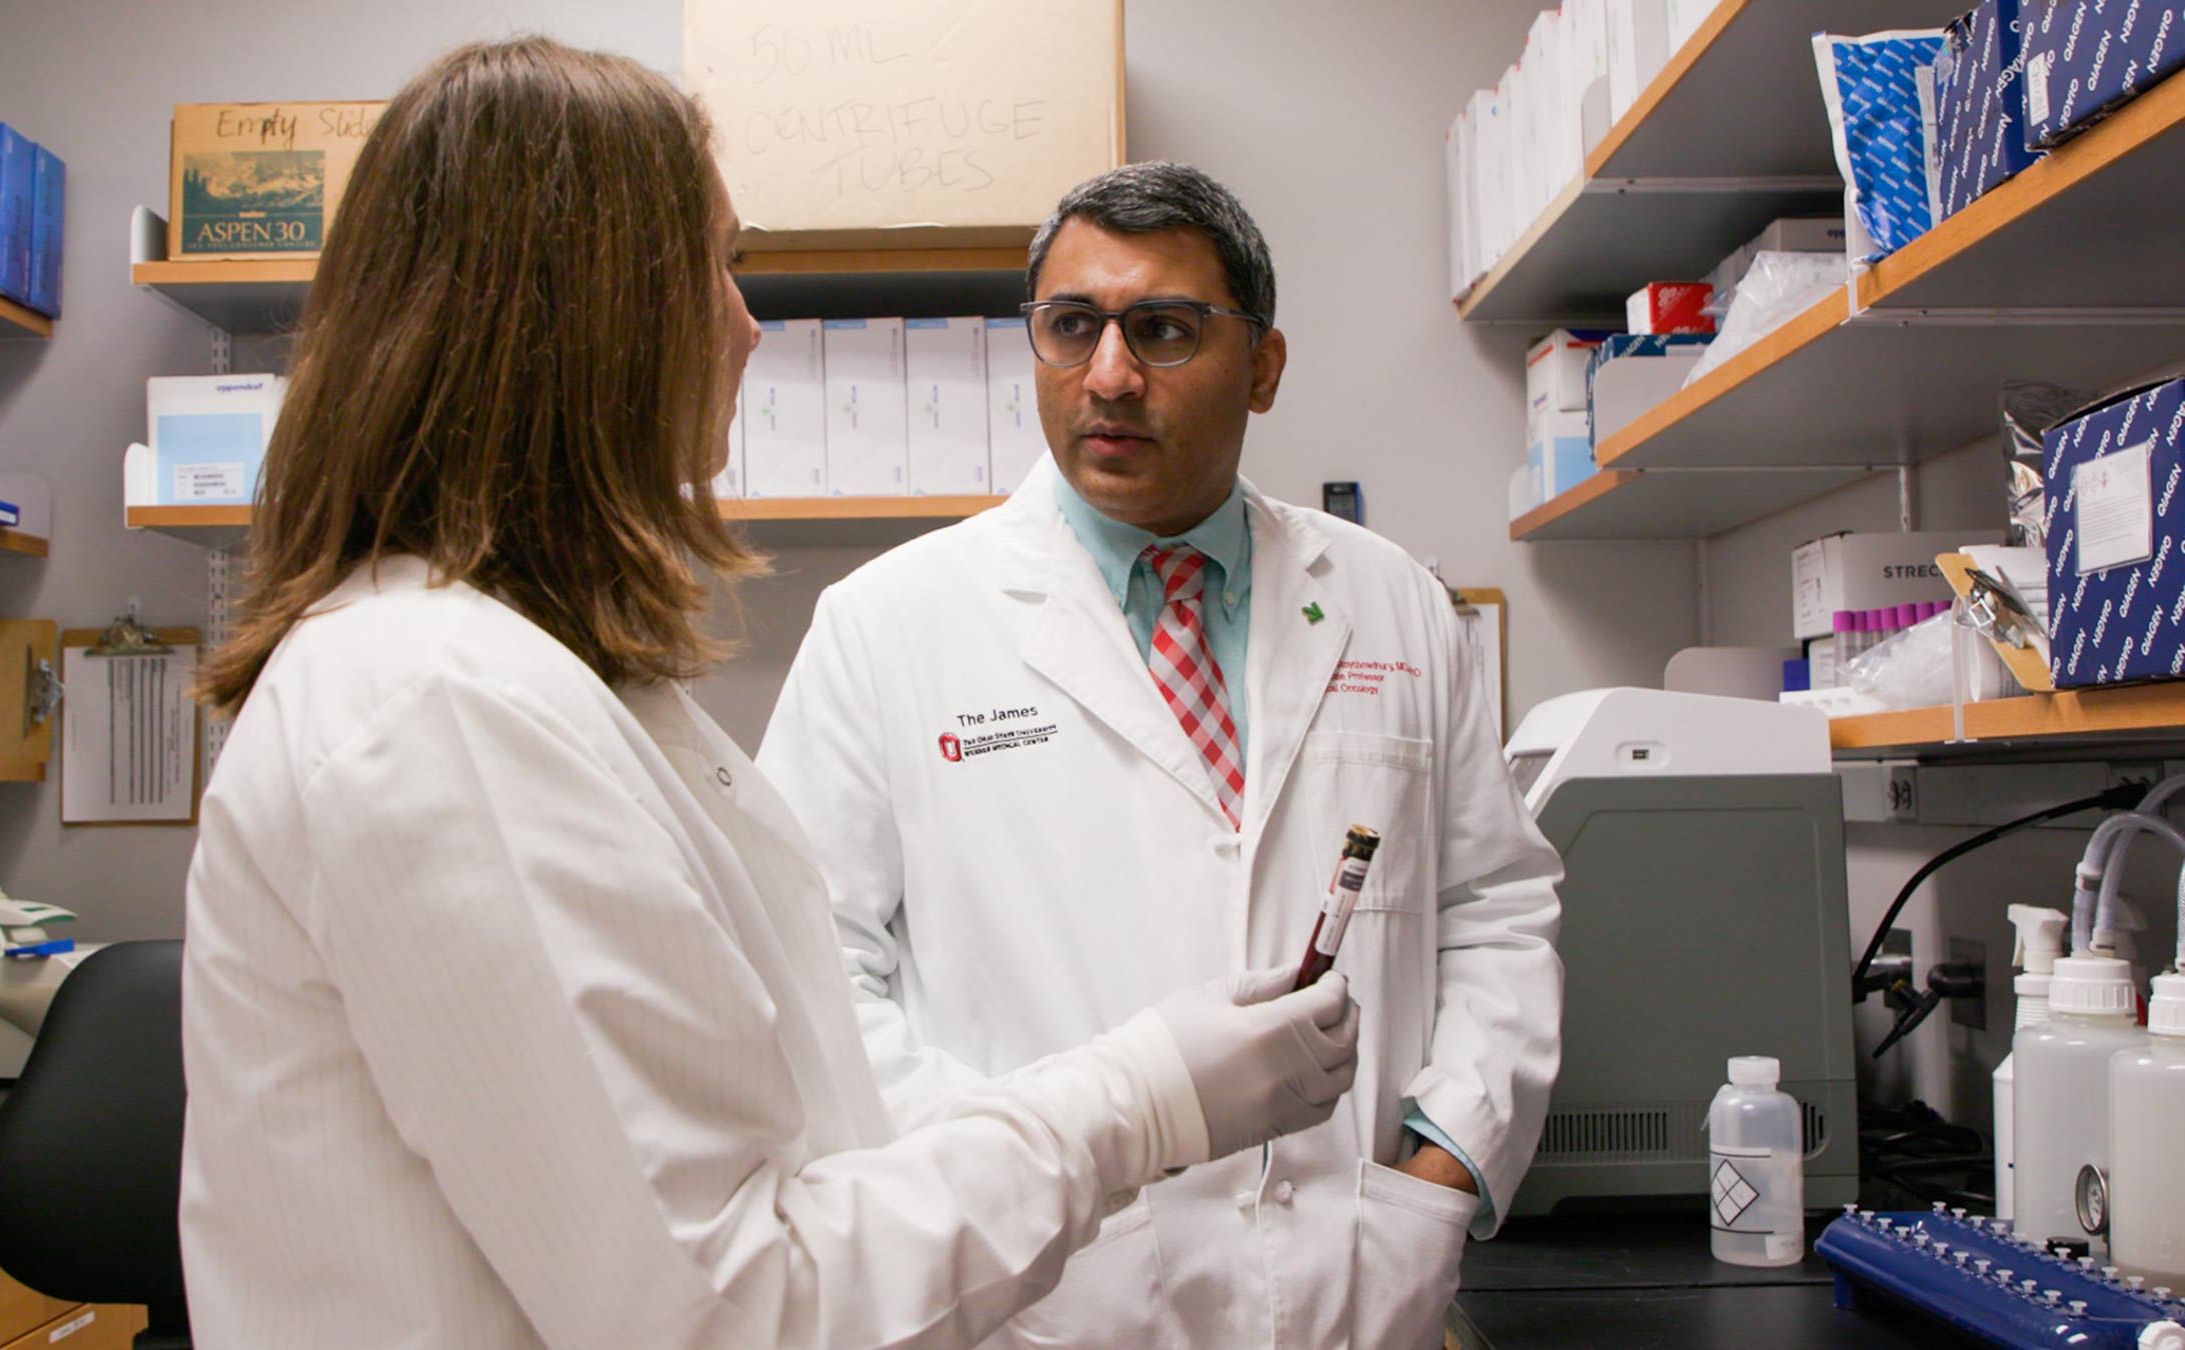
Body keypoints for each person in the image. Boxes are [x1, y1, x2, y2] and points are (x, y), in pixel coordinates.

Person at [179, 44, 1361, 1350]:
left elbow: (785, 1132)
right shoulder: (436, 707)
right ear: (589, 316)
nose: (750, 323)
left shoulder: (535, 680)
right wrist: (1139, 1102)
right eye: (719, 266)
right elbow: (729, 1308)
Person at [758, 161, 1565, 1350]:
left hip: (1355, 1286)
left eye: (1165, 330)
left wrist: (1445, 1167)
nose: (1110, 376)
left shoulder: (1391, 601)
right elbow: (808, 975)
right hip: (1046, 1292)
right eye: (1071, 326)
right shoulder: (889, 623)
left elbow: (1493, 905)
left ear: (1265, 366)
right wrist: (1010, 1179)